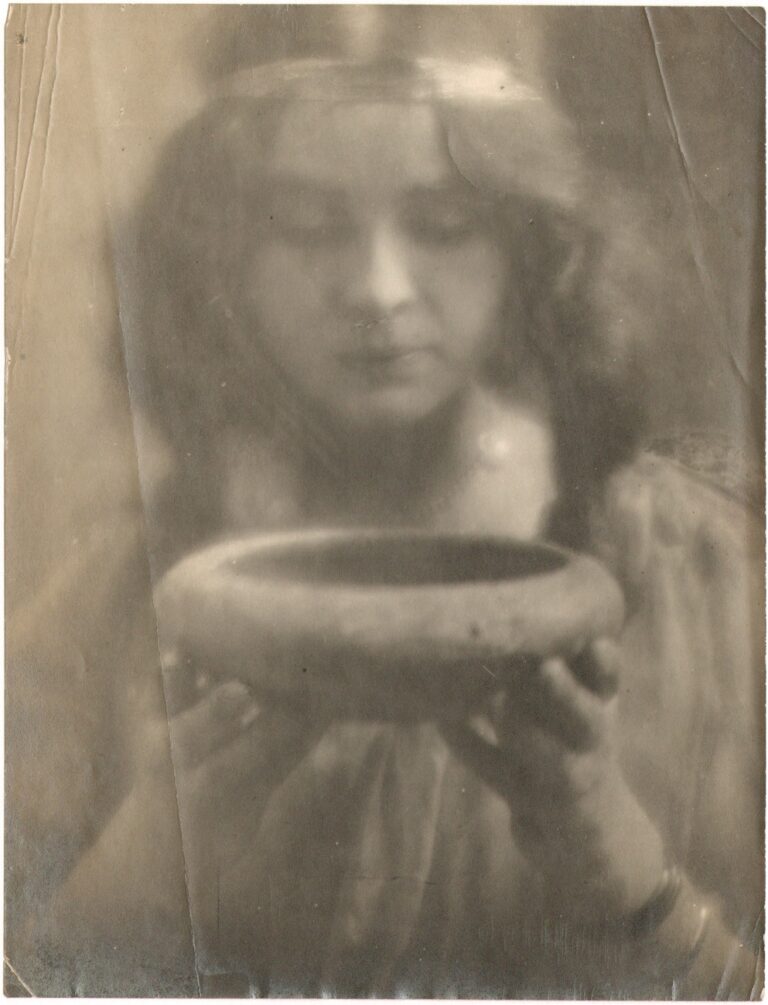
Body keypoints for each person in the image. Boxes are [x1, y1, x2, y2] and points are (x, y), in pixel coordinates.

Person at [19, 12, 763, 998]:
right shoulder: (113, 596)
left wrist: (628, 882)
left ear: (529, 250)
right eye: (309, 228)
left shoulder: (711, 585)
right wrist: (146, 865)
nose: (378, 290)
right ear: (221, 262)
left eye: (445, 227)